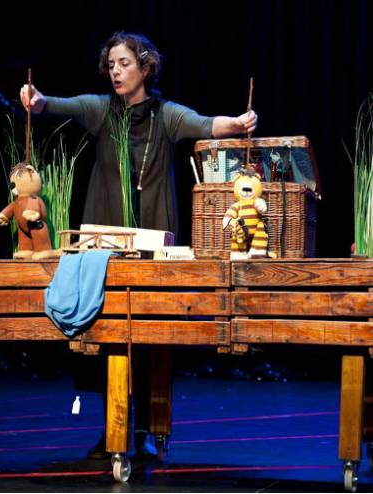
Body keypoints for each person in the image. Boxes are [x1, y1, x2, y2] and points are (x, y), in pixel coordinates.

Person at [20, 30, 257, 460]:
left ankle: (147, 428)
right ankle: (112, 428)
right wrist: (37, 101)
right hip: (106, 237)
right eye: (111, 64)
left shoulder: (166, 115)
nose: (116, 71)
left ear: (145, 67)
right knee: (107, 333)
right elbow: (57, 104)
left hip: (152, 234)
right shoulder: (101, 110)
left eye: (124, 63)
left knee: (148, 335)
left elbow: (206, 124)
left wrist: (238, 124)